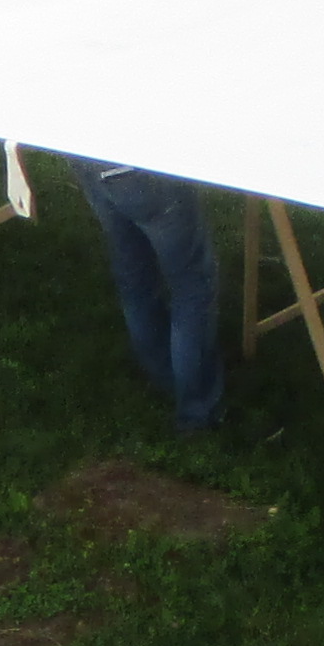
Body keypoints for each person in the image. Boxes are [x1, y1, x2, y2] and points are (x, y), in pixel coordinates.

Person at [69, 155, 230, 437]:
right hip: (141, 163)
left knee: (135, 278)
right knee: (192, 286)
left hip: (89, 158)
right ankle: (197, 409)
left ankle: (166, 375)